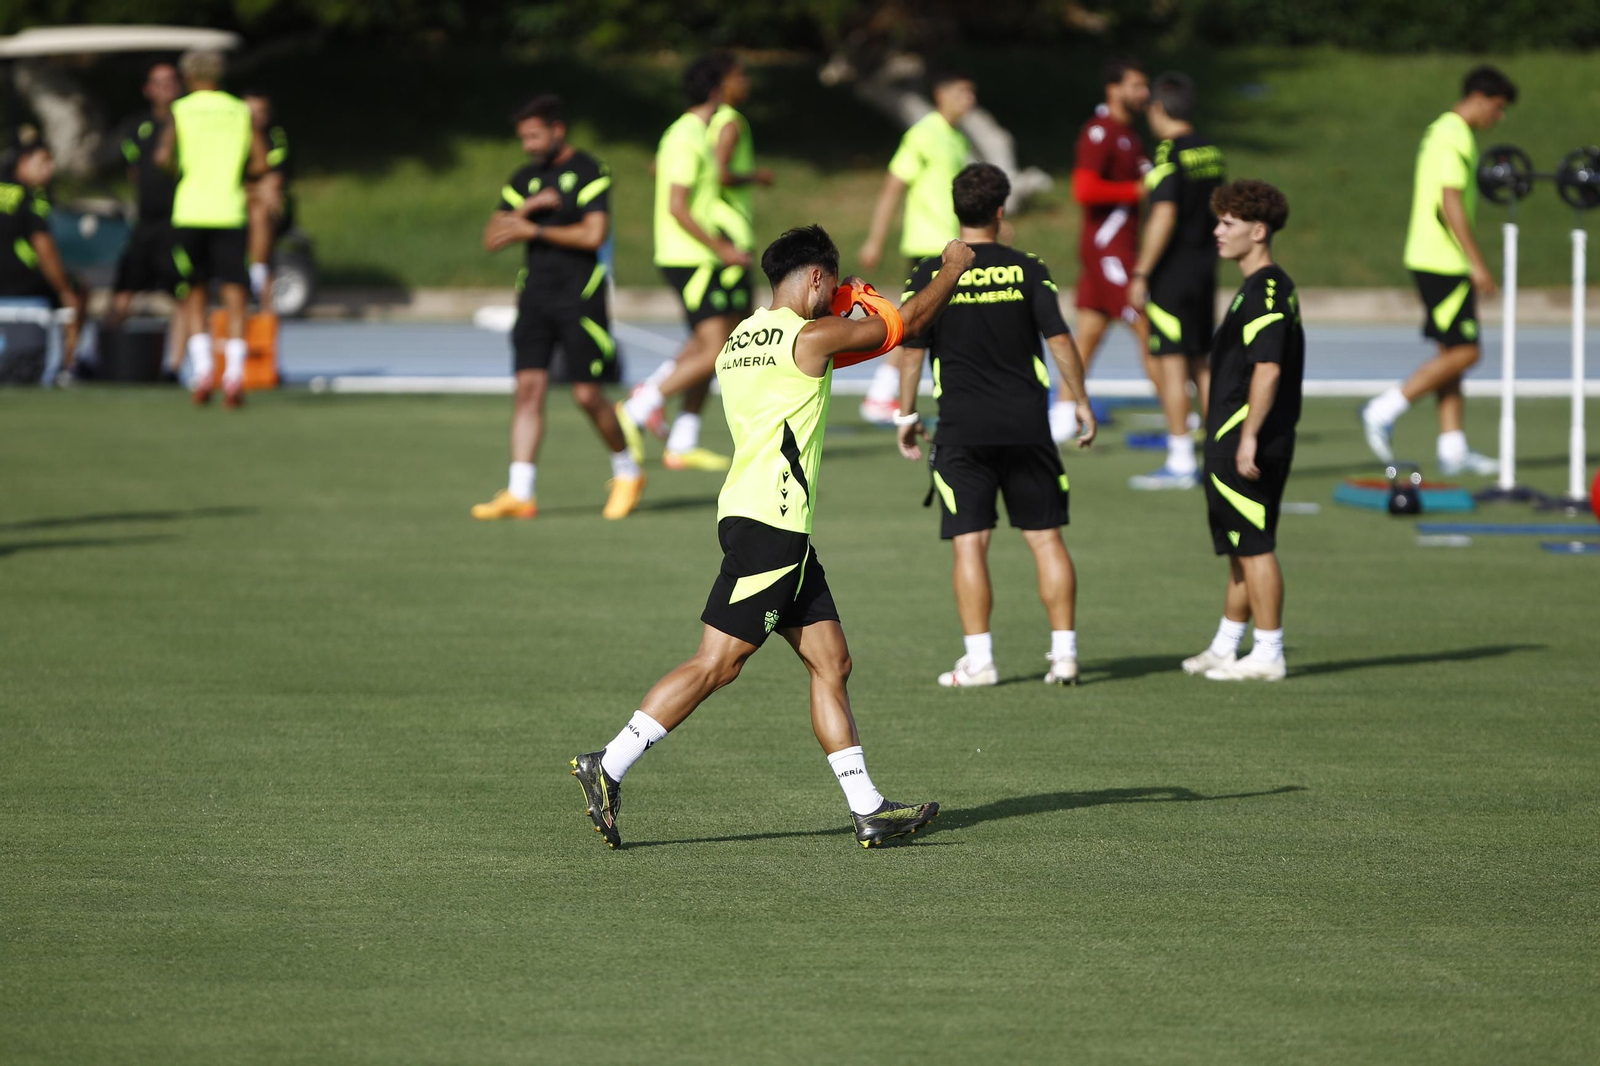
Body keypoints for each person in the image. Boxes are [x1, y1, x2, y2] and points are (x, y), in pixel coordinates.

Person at [571, 225, 974, 850]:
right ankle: (610, 763)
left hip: (753, 514)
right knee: (716, 665)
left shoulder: (740, 339)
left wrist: (859, 310)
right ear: (816, 277)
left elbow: (854, 346)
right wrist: (950, 269)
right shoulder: (811, 337)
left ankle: (868, 807)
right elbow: (909, 322)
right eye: (832, 283)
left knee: (831, 661)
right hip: (773, 525)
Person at [895, 163, 1096, 688]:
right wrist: (1080, 402)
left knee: (970, 544)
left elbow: (911, 348)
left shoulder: (930, 273)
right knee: (1046, 539)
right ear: (1002, 211)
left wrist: (906, 413)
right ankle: (1066, 654)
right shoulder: (1028, 267)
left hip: (963, 429)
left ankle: (980, 662)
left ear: (955, 211)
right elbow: (1059, 341)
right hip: (1027, 426)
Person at [472, 94, 643, 522]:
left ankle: (628, 471)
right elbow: (492, 238)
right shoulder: (524, 178)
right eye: (523, 138)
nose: (528, 145)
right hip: (534, 296)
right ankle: (520, 492)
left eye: (534, 135)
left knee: (587, 394)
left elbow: (593, 235)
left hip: (580, 296)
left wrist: (532, 231)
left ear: (557, 129)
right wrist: (528, 209)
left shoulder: (588, 170)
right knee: (528, 390)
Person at [1360, 66, 1516, 475]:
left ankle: (1452, 447)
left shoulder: (1441, 130)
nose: (1497, 119)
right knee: (1468, 351)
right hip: (1442, 261)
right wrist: (1476, 263)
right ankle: (1384, 408)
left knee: (1452, 354)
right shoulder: (1455, 135)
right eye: (1497, 109)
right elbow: (1450, 204)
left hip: (1432, 257)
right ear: (1480, 98)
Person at [1185, 179, 1304, 682]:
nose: (1217, 232)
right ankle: (1227, 644)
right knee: (1239, 543)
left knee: (1255, 543)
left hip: (1244, 439)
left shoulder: (1268, 288)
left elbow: (1269, 367)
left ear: (1258, 231)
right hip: (1230, 435)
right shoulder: (1252, 287)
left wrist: (1249, 435)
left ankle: (1269, 652)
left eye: (1227, 224)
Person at [614, 55, 748, 473]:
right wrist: (721, 248)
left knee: (709, 345)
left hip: (702, 257)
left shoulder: (693, 134)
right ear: (716, 91)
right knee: (718, 349)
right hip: (689, 258)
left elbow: (670, 177)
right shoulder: (686, 136)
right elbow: (677, 207)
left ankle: (682, 441)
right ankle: (639, 407)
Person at [856, 70, 975, 424]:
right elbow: (894, 185)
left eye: (971, 94)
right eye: (961, 92)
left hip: (951, 245)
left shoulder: (956, 140)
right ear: (941, 94)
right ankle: (880, 393)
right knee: (918, 320)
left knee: (935, 321)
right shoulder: (923, 135)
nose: (968, 100)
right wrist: (875, 239)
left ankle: (887, 391)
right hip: (928, 244)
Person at [1127, 71, 1226, 490]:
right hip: (1206, 268)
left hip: (1173, 272)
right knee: (1203, 361)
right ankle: (1218, 457)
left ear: (1158, 108)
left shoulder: (1169, 153)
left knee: (1171, 362)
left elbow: (1164, 213)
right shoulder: (1211, 151)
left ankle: (1181, 457)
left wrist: (1142, 271)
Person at [155, 50, 265, 407]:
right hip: (229, 211)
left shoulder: (181, 110)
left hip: (190, 211)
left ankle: (203, 371)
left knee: (194, 292)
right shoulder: (239, 110)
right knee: (235, 295)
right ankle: (234, 375)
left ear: (188, 77)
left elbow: (163, 157)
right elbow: (260, 161)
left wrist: (177, 170)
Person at [1049, 57, 1151, 442]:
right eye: (1137, 85)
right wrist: (1137, 190)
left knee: (1089, 332)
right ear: (1114, 88)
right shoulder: (1100, 132)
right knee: (1148, 327)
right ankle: (1183, 418)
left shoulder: (1131, 134)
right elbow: (1084, 190)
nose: (1144, 93)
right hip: (1108, 250)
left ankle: (1060, 413)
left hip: (1119, 247)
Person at [106, 61, 183, 376]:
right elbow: (134, 170)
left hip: (177, 221)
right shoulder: (136, 126)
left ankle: (174, 366)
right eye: (157, 82)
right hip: (146, 223)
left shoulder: (187, 121)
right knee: (123, 290)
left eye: (170, 81)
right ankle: (108, 360)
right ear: (148, 89)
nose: (164, 87)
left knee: (184, 294)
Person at [0, 142, 82, 369]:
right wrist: (65, 291)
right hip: (21, 283)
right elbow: (44, 249)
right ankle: (67, 367)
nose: (51, 169)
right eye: (44, 162)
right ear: (24, 163)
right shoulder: (32, 198)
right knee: (76, 291)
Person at [241, 89, 291, 309]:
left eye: (260, 112)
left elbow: (274, 177)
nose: (255, 118)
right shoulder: (231, 135)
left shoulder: (275, 135)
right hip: (239, 203)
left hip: (267, 206)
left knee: (262, 208)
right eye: (250, 113)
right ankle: (256, 273)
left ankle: (257, 275)